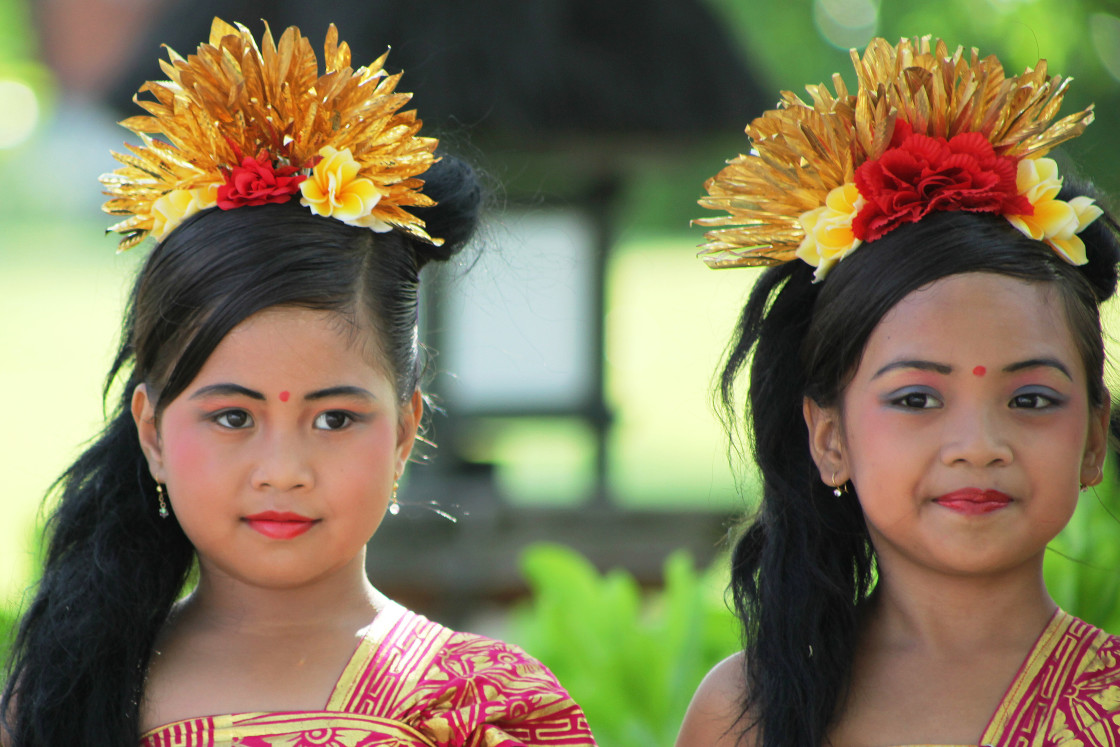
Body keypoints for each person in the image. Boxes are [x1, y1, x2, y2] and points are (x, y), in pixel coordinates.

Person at [0, 19, 596, 747]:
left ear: (406, 429)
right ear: (151, 432)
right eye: (232, 418)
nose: (283, 471)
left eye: (334, 419)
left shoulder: (485, 705)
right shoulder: (72, 694)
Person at [676, 36, 1120, 746]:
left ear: (1094, 438)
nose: (979, 446)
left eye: (1031, 399)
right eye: (916, 398)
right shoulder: (744, 715)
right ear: (829, 437)